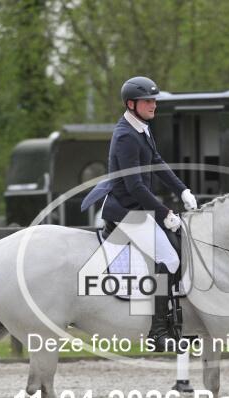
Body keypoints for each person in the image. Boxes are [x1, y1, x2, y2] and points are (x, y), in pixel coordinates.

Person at [81, 76, 197, 352]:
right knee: (168, 258)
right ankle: (158, 333)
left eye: (154, 100)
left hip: (138, 207)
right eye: (147, 101)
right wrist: (164, 212)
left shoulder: (141, 128)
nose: (153, 105)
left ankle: (176, 320)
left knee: (179, 244)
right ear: (131, 104)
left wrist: (182, 190)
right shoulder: (126, 136)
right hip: (126, 210)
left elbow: (157, 162)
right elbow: (134, 186)